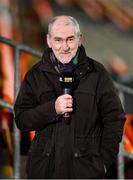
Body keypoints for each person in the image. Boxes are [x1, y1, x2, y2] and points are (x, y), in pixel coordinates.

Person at [14, 15, 126, 179]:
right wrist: (52, 109)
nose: (64, 47)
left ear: (80, 39)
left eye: (70, 39)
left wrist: (102, 162)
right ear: (48, 41)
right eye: (58, 40)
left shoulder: (98, 73)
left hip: (86, 172)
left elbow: (114, 119)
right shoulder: (35, 75)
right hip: (44, 172)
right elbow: (22, 119)